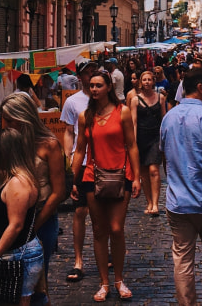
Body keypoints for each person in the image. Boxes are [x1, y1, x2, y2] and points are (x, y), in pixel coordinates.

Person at [0, 92, 67, 306]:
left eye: (8, 120)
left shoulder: (49, 144)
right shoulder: (12, 143)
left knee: (36, 281)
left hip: (41, 217)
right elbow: (8, 181)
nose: (4, 125)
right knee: (11, 284)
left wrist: (34, 225)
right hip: (14, 219)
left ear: (22, 118)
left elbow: (58, 192)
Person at [71, 70, 141, 302]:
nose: (94, 89)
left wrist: (137, 177)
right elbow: (80, 149)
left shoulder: (122, 113)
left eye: (99, 85)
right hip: (93, 176)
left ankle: (119, 279)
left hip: (121, 175)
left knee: (117, 228)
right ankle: (104, 282)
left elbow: (131, 145)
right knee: (99, 230)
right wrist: (73, 179)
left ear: (108, 87)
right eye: (91, 85)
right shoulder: (85, 116)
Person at [159, 67, 202, 306]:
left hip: (178, 201)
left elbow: (164, 157)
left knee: (183, 258)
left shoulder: (169, 117)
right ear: (200, 87)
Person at [0, 128, 44, 306]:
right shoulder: (19, 176)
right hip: (15, 254)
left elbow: (15, 225)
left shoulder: (19, 183)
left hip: (18, 256)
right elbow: (3, 179)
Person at [60, 61, 98, 283]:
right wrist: (68, 157)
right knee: (80, 211)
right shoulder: (73, 102)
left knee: (101, 212)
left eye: (94, 71)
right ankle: (78, 260)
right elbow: (68, 131)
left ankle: (105, 252)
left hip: (102, 162)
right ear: (80, 76)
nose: (91, 76)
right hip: (80, 161)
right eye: (87, 73)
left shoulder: (106, 100)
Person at [130, 70, 166, 215]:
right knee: (144, 172)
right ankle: (149, 202)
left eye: (149, 80)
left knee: (154, 170)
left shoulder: (161, 98)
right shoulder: (135, 100)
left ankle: (156, 204)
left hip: (155, 136)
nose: (147, 82)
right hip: (141, 137)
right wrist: (133, 141)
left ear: (153, 81)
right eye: (144, 80)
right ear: (141, 82)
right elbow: (134, 121)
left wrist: (165, 138)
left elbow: (164, 119)